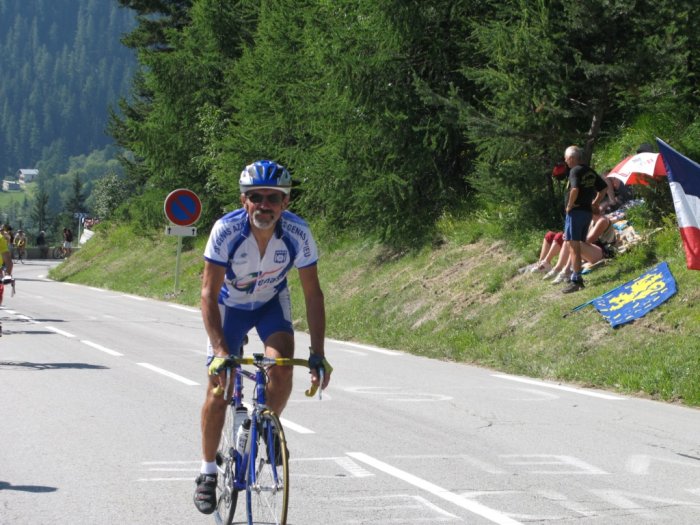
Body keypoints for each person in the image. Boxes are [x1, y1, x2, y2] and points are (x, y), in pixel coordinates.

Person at [194, 159, 331, 515]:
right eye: (256, 197)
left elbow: (313, 295)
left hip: (271, 301)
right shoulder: (226, 231)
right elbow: (207, 294)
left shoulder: (298, 233)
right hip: (229, 307)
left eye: (273, 197)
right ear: (244, 200)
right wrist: (222, 349)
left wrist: (318, 353)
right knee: (217, 386)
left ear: (285, 203)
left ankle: (267, 423)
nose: (264, 205)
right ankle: (208, 472)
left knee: (283, 365)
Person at [561, 146, 608, 293]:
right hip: (587, 212)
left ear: (573, 158)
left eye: (567, 158)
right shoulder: (589, 171)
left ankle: (576, 280)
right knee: (574, 244)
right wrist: (594, 203)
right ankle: (575, 275)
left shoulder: (574, 171)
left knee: (573, 245)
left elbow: (575, 189)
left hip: (576, 212)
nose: (565, 161)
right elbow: (604, 187)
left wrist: (569, 206)